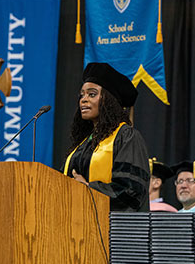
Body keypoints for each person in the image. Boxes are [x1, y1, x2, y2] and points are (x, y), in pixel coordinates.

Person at [63, 62, 150, 212]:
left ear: (108, 100)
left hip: (114, 230)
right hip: (76, 227)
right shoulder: (84, 143)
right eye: (82, 95)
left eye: (92, 94)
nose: (83, 100)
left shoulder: (127, 137)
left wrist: (89, 189)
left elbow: (131, 192)